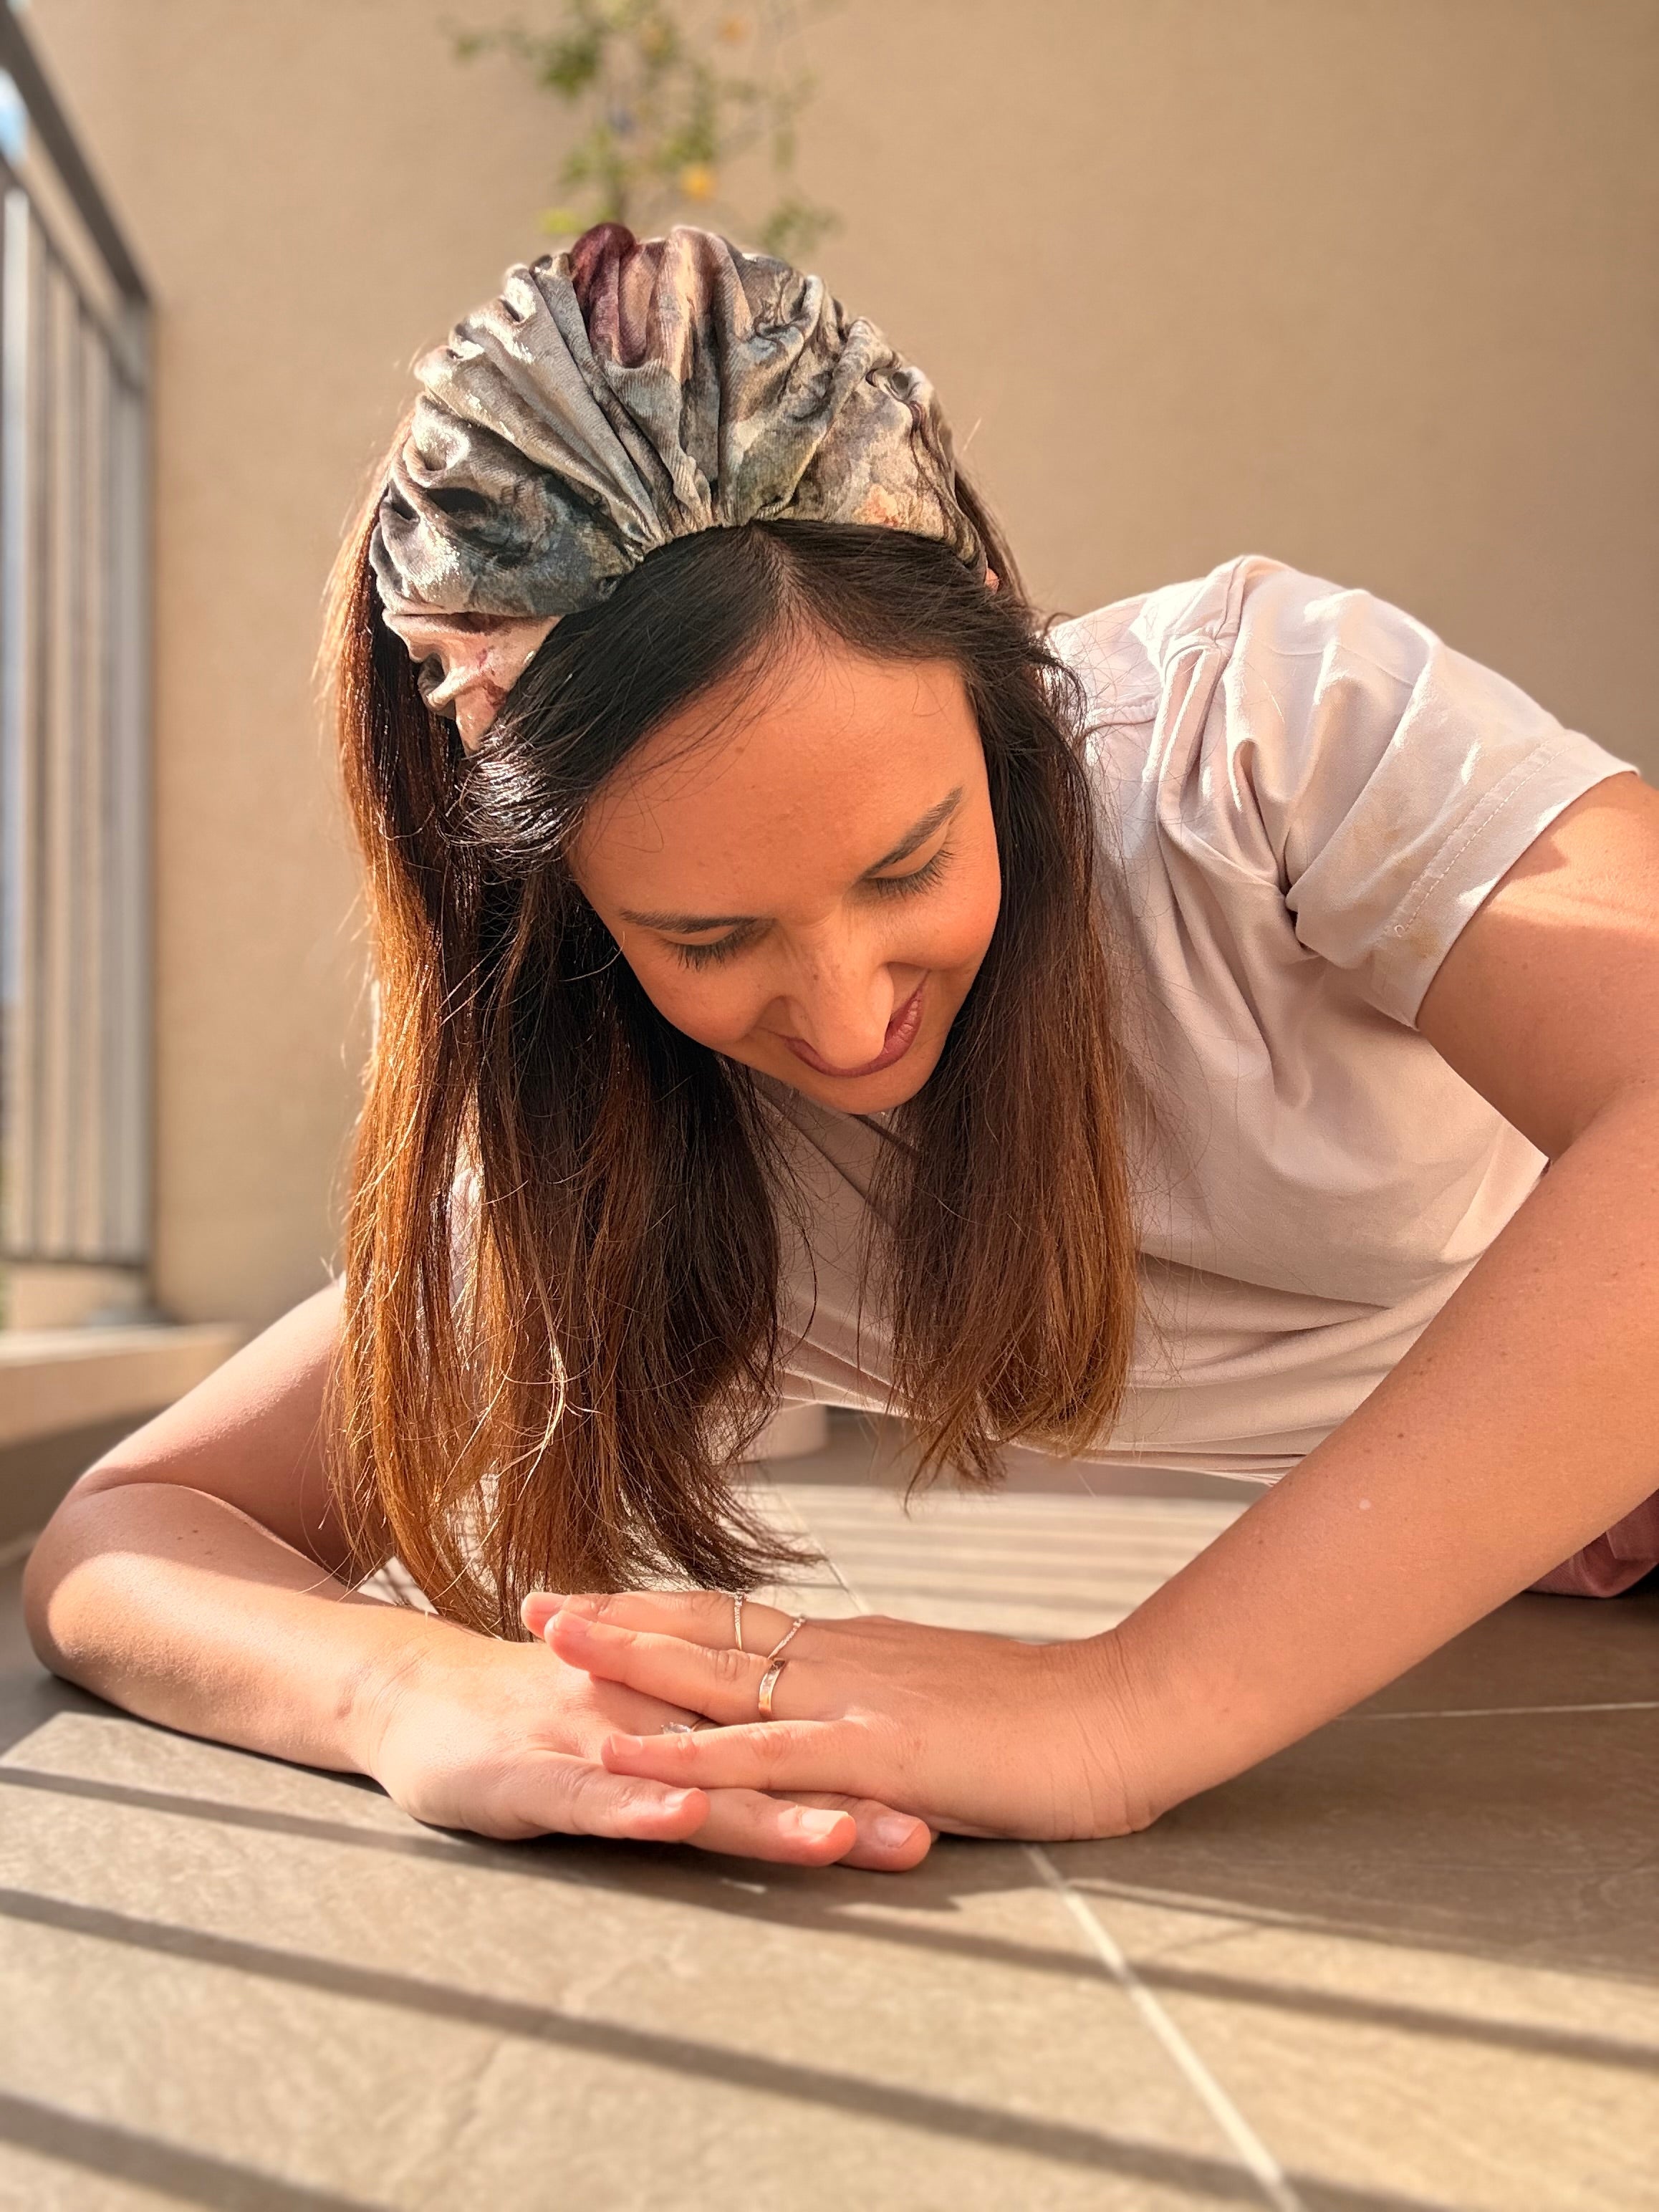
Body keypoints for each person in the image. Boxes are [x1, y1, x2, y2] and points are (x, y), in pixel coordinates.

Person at [24, 223, 1659, 1871]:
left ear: (1008, 681)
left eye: (909, 866)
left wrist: (1129, 1701)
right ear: (567, 902)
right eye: (708, 939)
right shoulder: (618, 1170)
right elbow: (128, 1536)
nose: (845, 1004)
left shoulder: (1257, 741)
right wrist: (406, 1692)